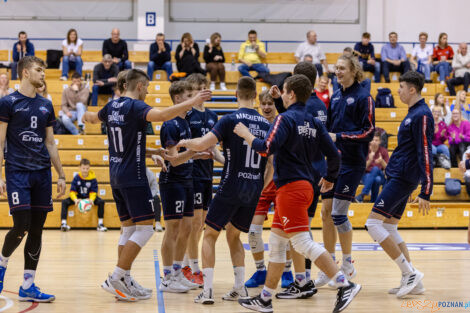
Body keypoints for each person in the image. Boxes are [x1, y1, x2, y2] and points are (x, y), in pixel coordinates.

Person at [82, 68, 212, 301]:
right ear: (139, 86)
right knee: (145, 228)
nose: (149, 91)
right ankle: (117, 276)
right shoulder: (136, 107)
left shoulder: (111, 106)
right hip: (134, 175)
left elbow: (92, 119)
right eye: (148, 87)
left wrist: (152, 151)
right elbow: (162, 115)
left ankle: (125, 279)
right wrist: (193, 100)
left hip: (116, 175)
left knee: (129, 229)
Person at [235, 74, 361, 313]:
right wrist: (330, 178)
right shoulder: (314, 121)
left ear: (291, 94)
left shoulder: (284, 119)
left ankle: (345, 284)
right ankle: (265, 299)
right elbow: (334, 154)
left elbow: (266, 148)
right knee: (277, 243)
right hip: (306, 187)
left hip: (291, 188)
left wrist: (246, 135)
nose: (280, 94)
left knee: (302, 243)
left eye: (283, 91)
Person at [176, 77, 271, 304]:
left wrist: (184, 142)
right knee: (235, 235)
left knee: (209, 234)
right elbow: (271, 165)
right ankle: (240, 288)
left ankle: (207, 291)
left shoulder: (230, 120)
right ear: (256, 97)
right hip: (253, 188)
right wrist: (260, 187)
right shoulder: (267, 124)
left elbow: (201, 144)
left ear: (236, 95)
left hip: (231, 185)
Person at [0, 55, 66, 302]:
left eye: (43, 70)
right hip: (17, 173)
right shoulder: (8, 103)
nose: (43, 74)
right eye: (39, 70)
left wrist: (61, 174)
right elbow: (0, 141)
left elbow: (50, 142)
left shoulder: (46, 104)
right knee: (21, 225)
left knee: (37, 229)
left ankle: (28, 284)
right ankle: (2, 264)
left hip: (42, 174)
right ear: (25, 73)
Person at [365, 71, 432, 298]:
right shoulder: (414, 113)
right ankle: (413, 279)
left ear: (412, 89)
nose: (398, 90)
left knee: (373, 224)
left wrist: (426, 189)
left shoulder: (422, 115)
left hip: (404, 178)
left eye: (401, 86)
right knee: (390, 227)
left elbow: (425, 153)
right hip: (399, 175)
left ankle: (409, 273)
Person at [315, 55, 375, 287]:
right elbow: (329, 128)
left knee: (338, 214)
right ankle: (329, 266)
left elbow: (368, 132)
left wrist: (338, 137)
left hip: (352, 163)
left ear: (353, 70)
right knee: (325, 212)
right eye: (336, 68)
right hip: (334, 162)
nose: (338, 72)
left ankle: (347, 264)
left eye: (342, 68)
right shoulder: (337, 94)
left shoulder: (364, 97)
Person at [159, 80, 215, 293]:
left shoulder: (185, 122)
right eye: (190, 94)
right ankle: (167, 277)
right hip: (173, 182)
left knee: (188, 228)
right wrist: (194, 152)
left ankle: (177, 272)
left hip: (188, 180)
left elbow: (184, 155)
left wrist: (198, 153)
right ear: (178, 99)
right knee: (172, 229)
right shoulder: (171, 123)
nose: (194, 97)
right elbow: (173, 160)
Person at [244, 90, 295, 291]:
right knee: (253, 231)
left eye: (270, 103)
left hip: (281, 183)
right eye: (263, 103)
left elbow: (273, 161)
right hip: (261, 184)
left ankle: (288, 272)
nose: (266, 107)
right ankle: (260, 271)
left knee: (286, 232)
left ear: (276, 104)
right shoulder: (257, 126)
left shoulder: (282, 123)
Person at [182, 74, 224, 287]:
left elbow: (213, 147)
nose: (201, 92)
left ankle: (187, 264)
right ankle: (192, 267)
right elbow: (184, 144)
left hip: (207, 174)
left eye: (203, 88)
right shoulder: (187, 114)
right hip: (192, 174)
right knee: (195, 223)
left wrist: (226, 162)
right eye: (197, 89)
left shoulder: (212, 116)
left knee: (201, 223)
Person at [60, 158, 107, 232]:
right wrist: (75, 199)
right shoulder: (76, 178)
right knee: (64, 202)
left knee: (101, 202)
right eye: (83, 168)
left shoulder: (93, 178)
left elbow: (93, 191)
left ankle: (100, 224)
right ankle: (63, 224)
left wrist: (91, 200)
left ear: (89, 168)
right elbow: (72, 191)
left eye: (87, 168)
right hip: (78, 198)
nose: (85, 170)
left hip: (89, 198)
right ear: (79, 168)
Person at [355, 132, 389, 203]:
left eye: (376, 140)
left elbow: (388, 169)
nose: (374, 142)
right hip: (366, 175)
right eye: (372, 140)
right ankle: (373, 201)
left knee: (376, 169)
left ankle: (363, 194)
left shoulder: (383, 151)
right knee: (377, 180)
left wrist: (381, 161)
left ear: (380, 142)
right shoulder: (365, 151)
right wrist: (370, 160)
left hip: (380, 173)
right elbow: (361, 169)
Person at [146, 167, 163, 232]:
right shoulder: (132, 172)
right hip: (136, 196)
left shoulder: (150, 173)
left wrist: (148, 197)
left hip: (148, 196)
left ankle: (157, 223)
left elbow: (154, 188)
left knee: (156, 198)